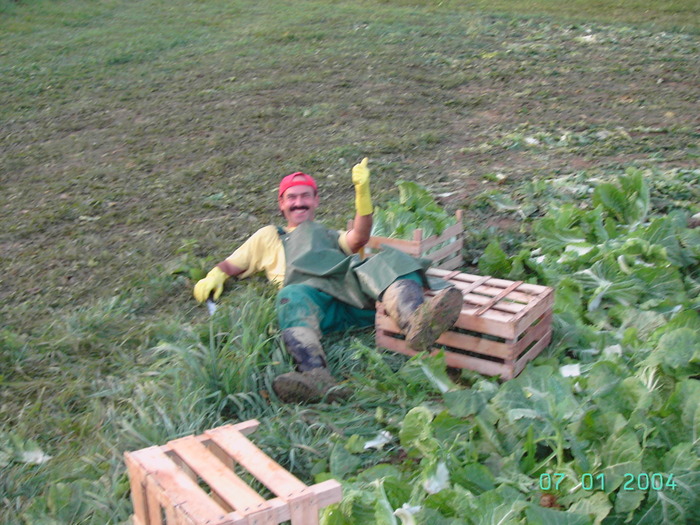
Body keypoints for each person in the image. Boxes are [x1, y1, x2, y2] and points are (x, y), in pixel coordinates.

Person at [193, 158, 463, 403]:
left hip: (355, 297)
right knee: (292, 296)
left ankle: (415, 321)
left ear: (316, 201)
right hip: (318, 308)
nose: (299, 202)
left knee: (388, 259)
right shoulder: (268, 236)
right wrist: (214, 275)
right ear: (281, 203)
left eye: (305, 196)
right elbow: (232, 264)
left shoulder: (328, 234)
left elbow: (358, 238)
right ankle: (316, 377)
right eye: (292, 198)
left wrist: (363, 196)